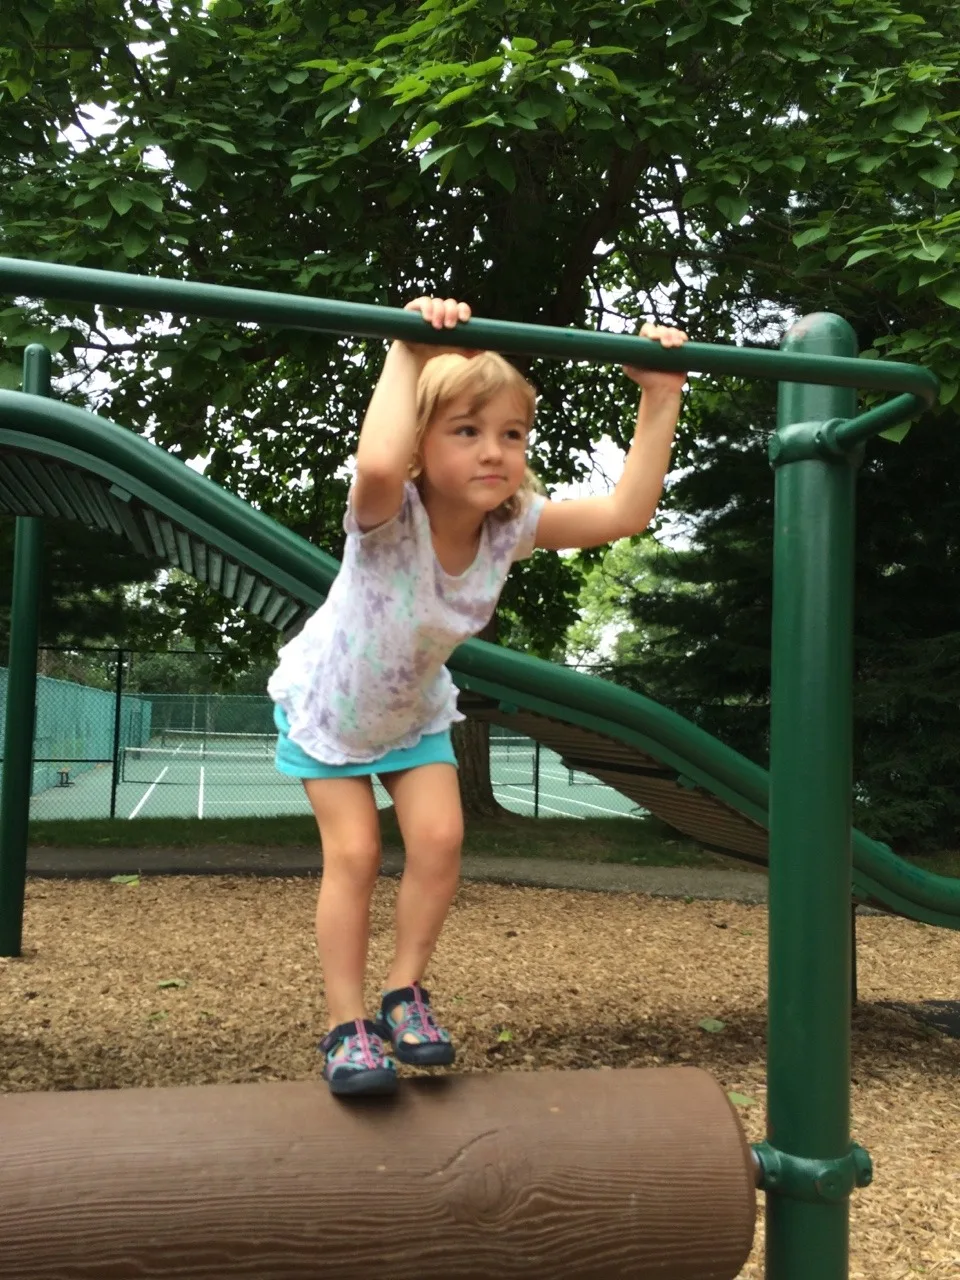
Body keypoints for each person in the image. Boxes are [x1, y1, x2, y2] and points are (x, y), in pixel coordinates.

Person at [268, 295, 688, 1096]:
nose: (495, 451)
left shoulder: (512, 525)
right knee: (354, 856)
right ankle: (343, 1024)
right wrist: (408, 347)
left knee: (439, 843)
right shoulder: (389, 515)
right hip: (327, 710)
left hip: (413, 714)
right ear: (424, 447)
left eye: (512, 433)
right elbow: (378, 464)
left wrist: (660, 393)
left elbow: (626, 513)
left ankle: (404, 995)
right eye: (467, 431)